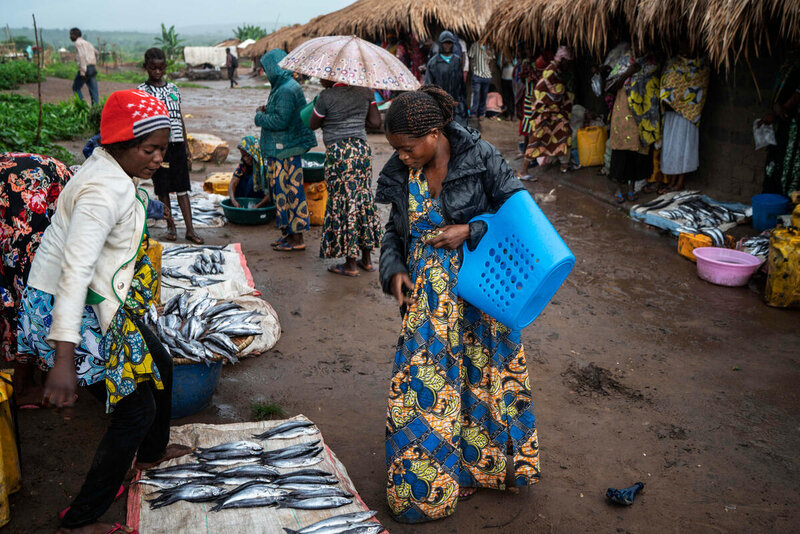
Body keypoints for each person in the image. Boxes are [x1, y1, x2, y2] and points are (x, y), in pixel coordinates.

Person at [17, 89, 191, 534]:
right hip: (66, 310)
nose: (158, 160)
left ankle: (150, 455)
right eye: (149, 150)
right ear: (118, 144)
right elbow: (74, 273)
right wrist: (62, 361)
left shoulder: (112, 170)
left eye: (163, 150)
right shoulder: (100, 191)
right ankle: (79, 520)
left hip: (98, 299)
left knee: (162, 362)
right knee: (135, 411)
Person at [376, 85, 540, 523]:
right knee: (422, 385)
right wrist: (394, 271)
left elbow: (519, 214)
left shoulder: (481, 156)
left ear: (434, 133)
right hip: (429, 300)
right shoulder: (401, 171)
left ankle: (473, 468)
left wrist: (469, 229)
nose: (402, 157)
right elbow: (394, 233)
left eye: (408, 148)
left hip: (480, 287)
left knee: (479, 377)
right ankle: (428, 478)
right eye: (396, 150)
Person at [0, 153, 71, 405]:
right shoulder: (74, 187)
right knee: (30, 290)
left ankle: (30, 376)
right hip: (25, 210)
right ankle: (26, 383)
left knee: (16, 287)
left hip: (23, 204)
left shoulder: (59, 177)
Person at [308, 79, 383, 276]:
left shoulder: (326, 96)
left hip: (339, 153)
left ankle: (350, 264)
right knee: (362, 200)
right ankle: (366, 260)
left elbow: (312, 124)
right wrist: (357, 119)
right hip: (360, 151)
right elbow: (376, 122)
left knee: (345, 203)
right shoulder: (365, 91)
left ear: (331, 77)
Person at [138, 47, 203, 244]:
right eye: (153, 68)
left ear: (165, 67)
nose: (157, 72)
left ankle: (190, 230)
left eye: (161, 68)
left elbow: (179, 117)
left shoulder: (174, 88)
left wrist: (186, 144)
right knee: (163, 188)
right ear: (146, 67)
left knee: (183, 187)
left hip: (177, 145)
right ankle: (171, 228)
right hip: (159, 148)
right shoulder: (142, 91)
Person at [255, 49, 317, 252]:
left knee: (290, 193)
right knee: (284, 193)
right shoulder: (282, 86)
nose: (265, 73)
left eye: (266, 69)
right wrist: (268, 109)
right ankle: (289, 235)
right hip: (283, 149)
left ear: (274, 67)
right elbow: (283, 113)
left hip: (286, 151)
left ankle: (296, 238)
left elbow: (280, 121)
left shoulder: (285, 89)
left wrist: (259, 117)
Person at [605, 49, 661, 202]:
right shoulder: (625, 60)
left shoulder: (652, 63)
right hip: (623, 112)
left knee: (636, 151)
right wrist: (627, 73)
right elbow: (609, 87)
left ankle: (631, 188)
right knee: (620, 151)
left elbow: (654, 89)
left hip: (642, 114)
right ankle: (618, 188)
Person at [659, 51, 710, 192]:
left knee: (683, 148)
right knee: (671, 148)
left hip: (687, 115)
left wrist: (681, 104)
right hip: (671, 113)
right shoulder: (673, 63)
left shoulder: (701, 67)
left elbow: (697, 89)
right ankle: (671, 181)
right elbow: (665, 84)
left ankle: (679, 182)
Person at [526, 46, 574, 173]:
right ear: (563, 60)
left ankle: (564, 165)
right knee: (535, 141)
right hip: (545, 113)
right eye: (568, 62)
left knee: (563, 133)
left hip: (553, 113)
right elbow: (540, 90)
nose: (568, 65)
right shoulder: (551, 71)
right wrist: (548, 106)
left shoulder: (556, 71)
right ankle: (523, 171)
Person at [761, 52, 800, 197]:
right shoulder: (789, 64)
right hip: (783, 125)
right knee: (775, 166)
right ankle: (773, 202)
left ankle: (787, 204)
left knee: (790, 170)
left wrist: (779, 111)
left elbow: (796, 96)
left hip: (794, 128)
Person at [424, 31, 467, 126]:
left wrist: (462, 103)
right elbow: (428, 85)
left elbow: (461, 84)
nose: (447, 45)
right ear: (441, 44)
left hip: (455, 104)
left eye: (450, 43)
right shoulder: (433, 63)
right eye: (445, 43)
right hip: (439, 105)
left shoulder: (457, 60)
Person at [228, 136, 271, 207]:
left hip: (260, 199)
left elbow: (270, 192)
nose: (246, 159)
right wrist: (234, 201)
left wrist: (257, 206)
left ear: (254, 153)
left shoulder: (265, 164)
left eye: (248, 156)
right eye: (243, 156)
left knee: (252, 180)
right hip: (246, 198)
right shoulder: (243, 163)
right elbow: (233, 183)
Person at [69, 28, 98, 105]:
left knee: (76, 88)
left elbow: (82, 56)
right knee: (93, 91)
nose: (70, 37)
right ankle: (96, 109)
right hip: (92, 68)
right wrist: (94, 62)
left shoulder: (78, 43)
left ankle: (83, 106)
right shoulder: (88, 43)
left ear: (74, 35)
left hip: (86, 68)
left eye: (71, 34)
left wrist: (82, 72)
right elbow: (96, 52)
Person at [468, 42, 494, 121]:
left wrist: (490, 71)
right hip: (477, 74)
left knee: (484, 95)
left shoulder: (490, 47)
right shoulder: (474, 45)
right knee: (476, 93)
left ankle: (482, 113)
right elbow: (471, 58)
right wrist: (473, 71)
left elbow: (492, 60)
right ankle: (473, 113)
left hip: (487, 76)